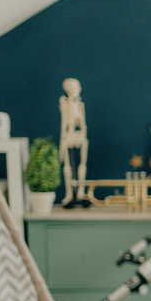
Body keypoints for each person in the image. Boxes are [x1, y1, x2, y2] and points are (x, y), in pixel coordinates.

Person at [59, 77, 91, 208]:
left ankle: (81, 193)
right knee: (67, 168)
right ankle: (69, 194)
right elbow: (64, 122)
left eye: (78, 87)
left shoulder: (80, 104)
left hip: (80, 135)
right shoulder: (64, 103)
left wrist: (81, 130)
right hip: (68, 135)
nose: (77, 90)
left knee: (82, 166)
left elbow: (82, 123)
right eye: (74, 87)